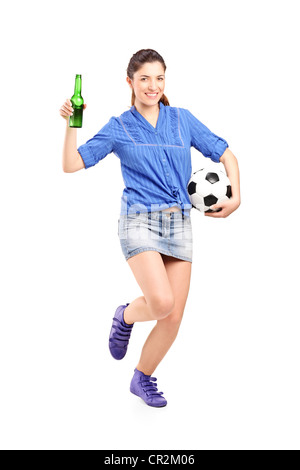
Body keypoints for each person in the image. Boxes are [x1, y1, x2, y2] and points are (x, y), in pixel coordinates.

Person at [59, 49, 241, 408]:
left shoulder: (181, 119)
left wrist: (235, 196)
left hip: (180, 222)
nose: (153, 86)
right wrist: (70, 126)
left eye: (159, 78)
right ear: (130, 82)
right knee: (160, 302)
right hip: (138, 219)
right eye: (144, 79)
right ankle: (125, 315)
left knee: (172, 318)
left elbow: (226, 155)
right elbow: (71, 164)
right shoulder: (119, 126)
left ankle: (141, 377)